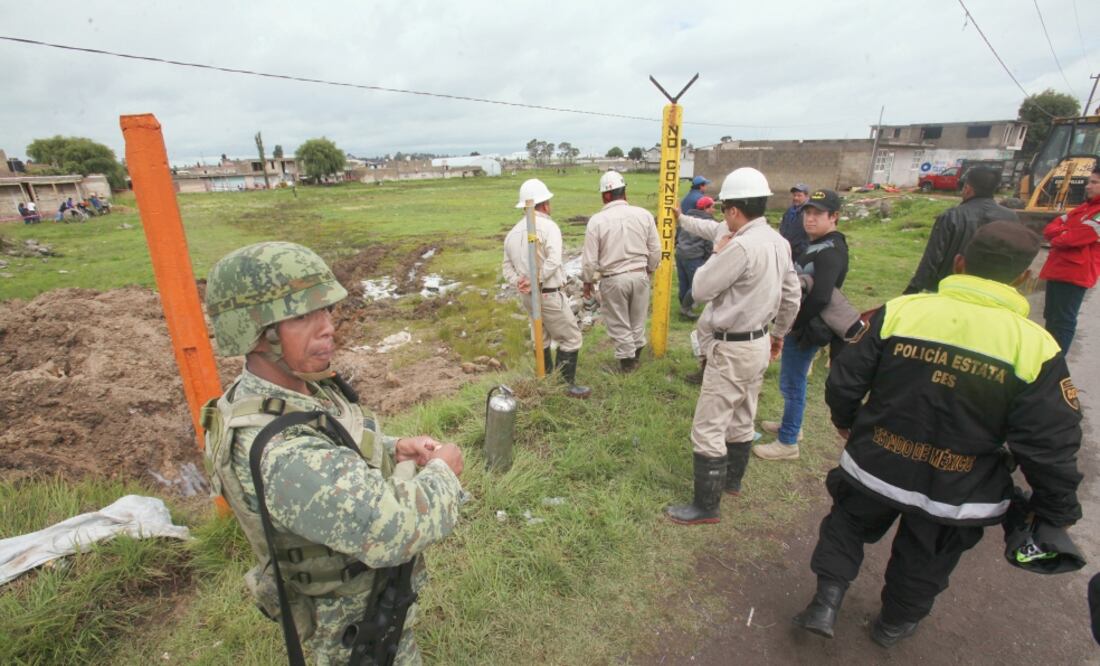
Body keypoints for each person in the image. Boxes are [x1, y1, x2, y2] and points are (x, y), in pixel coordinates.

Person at [792, 222, 1082, 648]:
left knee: (847, 524)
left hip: (876, 461)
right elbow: (1049, 442)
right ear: (1025, 277)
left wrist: (845, 421)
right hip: (958, 488)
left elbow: (846, 378)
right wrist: (1056, 508)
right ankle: (893, 624)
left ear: (959, 263)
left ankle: (826, 601)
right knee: (928, 556)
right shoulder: (1036, 347)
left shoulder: (904, 310)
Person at [202, 241, 465, 665]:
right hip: (354, 631)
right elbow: (395, 531)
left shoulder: (289, 391)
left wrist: (393, 447)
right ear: (260, 334)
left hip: (372, 603)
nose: (327, 327)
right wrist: (444, 473)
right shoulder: (284, 453)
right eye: (303, 316)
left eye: (326, 310)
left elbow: (338, 441)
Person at [665, 167, 801, 524]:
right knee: (743, 414)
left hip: (733, 346)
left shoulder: (739, 246)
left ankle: (706, 507)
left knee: (709, 426)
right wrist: (778, 335)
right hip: (758, 342)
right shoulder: (778, 242)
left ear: (734, 210)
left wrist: (718, 252)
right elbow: (791, 296)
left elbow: (700, 289)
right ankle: (732, 483)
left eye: (725, 210)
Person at [755, 189, 849, 461]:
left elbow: (820, 296)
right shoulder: (818, 244)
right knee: (791, 382)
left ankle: (788, 443)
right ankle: (791, 428)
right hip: (803, 325)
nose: (810, 218)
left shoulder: (831, 249)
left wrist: (794, 324)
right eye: (807, 212)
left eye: (817, 213)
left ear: (834, 217)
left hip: (808, 328)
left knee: (793, 383)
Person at [502, 179, 592, 398]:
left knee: (540, 337)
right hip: (548, 294)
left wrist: (519, 281)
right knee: (571, 338)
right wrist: (536, 279)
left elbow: (506, 266)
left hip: (528, 295)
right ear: (544, 204)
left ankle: (546, 382)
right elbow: (554, 260)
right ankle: (564, 386)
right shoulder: (549, 226)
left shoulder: (512, 233)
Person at [581, 170, 661, 372]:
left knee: (619, 323)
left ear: (605, 195)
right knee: (637, 320)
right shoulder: (643, 215)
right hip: (640, 274)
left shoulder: (597, 221)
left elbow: (590, 260)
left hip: (614, 278)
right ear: (624, 192)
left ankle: (628, 366)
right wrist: (649, 269)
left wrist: (587, 281)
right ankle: (634, 358)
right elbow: (656, 250)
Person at [903, 166, 1018, 294]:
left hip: (949, 289)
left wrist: (913, 288)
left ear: (968, 189)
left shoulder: (952, 216)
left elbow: (933, 257)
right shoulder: (1011, 218)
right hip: (990, 291)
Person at [1038, 164, 1100, 354]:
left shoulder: (1096, 214)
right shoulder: (1083, 209)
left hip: (1075, 274)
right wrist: (1065, 232)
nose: (1088, 186)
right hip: (1057, 269)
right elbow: (1051, 228)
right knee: (1051, 317)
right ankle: (1046, 357)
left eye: (1094, 182)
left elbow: (1071, 239)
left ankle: (1056, 365)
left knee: (1063, 321)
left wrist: (1064, 233)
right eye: (1089, 181)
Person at [675, 196, 716, 320]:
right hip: (694, 257)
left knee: (684, 282)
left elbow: (677, 235)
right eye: (712, 207)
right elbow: (709, 244)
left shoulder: (687, 217)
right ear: (705, 208)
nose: (714, 210)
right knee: (696, 284)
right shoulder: (707, 223)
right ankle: (685, 309)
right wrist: (708, 259)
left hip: (680, 254)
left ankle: (684, 306)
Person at [779, 183, 811, 261]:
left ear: (806, 196)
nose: (796, 198)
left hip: (799, 254)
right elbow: (783, 228)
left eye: (799, 195)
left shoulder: (809, 212)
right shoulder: (789, 211)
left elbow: (810, 235)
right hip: (786, 251)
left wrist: (800, 249)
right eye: (794, 195)